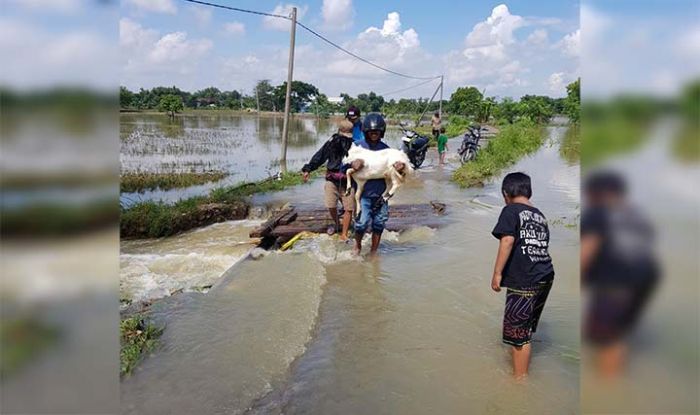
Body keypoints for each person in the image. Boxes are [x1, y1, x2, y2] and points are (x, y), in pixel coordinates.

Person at [580, 170, 658, 377]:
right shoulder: (637, 214)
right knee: (617, 335)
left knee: (607, 340)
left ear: (599, 193)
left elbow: (589, 247)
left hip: (615, 282)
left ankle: (607, 388)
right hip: (645, 280)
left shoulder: (598, 212)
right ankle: (614, 380)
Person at [490, 172, 554, 379]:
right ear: (529, 192)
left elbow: (507, 241)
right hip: (545, 275)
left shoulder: (510, 210)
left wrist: (497, 273)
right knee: (525, 328)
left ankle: (519, 382)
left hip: (524, 279)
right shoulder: (540, 215)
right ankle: (520, 364)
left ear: (505, 194)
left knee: (518, 335)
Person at [301, 120, 356, 240]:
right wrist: (308, 169)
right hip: (332, 179)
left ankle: (344, 234)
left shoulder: (355, 145)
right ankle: (337, 224)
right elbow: (320, 156)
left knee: (349, 208)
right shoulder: (331, 143)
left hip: (348, 181)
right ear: (339, 132)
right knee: (331, 205)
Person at [346, 112, 390, 256]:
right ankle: (357, 246)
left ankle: (373, 251)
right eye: (371, 132)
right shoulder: (357, 147)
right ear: (366, 132)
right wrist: (353, 164)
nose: (374, 135)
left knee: (379, 223)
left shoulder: (386, 149)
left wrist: (399, 168)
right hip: (363, 194)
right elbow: (343, 167)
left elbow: (395, 172)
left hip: (381, 194)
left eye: (377, 132)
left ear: (381, 132)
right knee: (362, 222)